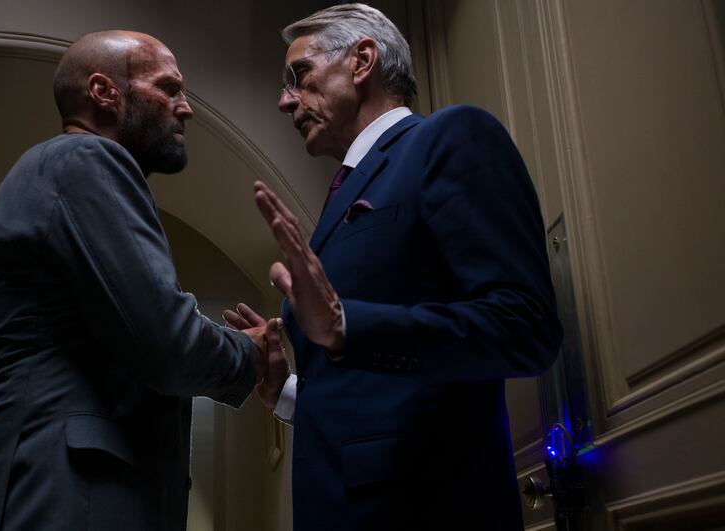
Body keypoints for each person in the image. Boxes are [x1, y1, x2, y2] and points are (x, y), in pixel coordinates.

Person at [224, 4, 563, 530]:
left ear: (362, 61)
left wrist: (347, 326)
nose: (285, 100)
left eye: (299, 75)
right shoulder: (345, 191)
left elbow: (526, 328)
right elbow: (367, 397)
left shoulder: (449, 138)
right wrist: (285, 392)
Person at [0, 30, 278, 531]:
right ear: (104, 92)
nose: (186, 108)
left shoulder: (58, 170)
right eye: (169, 89)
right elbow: (166, 340)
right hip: (58, 496)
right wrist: (250, 352)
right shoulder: (88, 160)